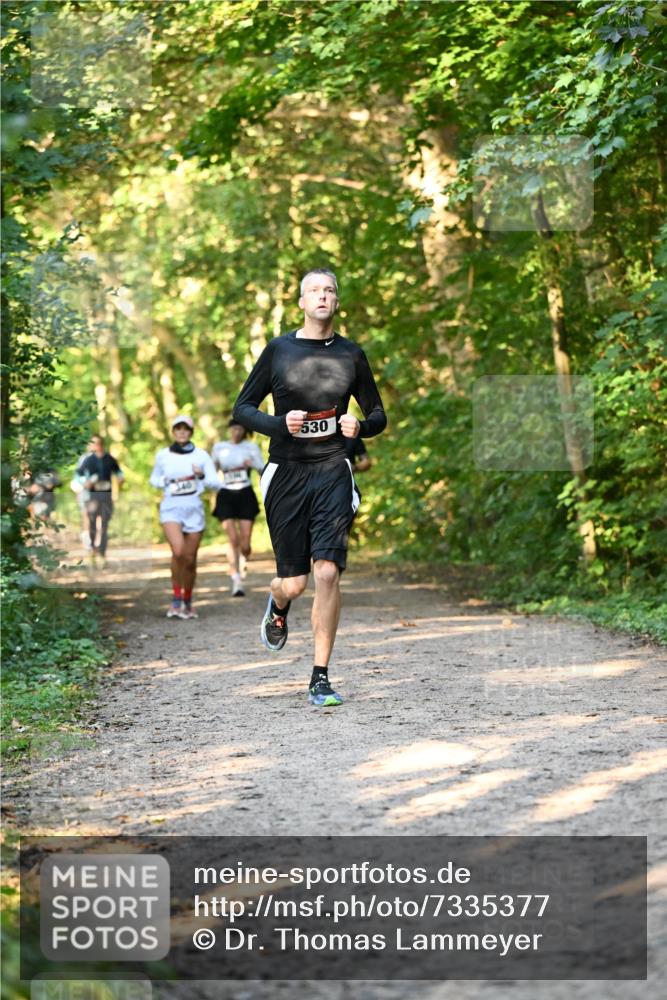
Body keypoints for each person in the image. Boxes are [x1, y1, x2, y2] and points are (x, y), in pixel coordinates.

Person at [233, 268, 386, 707]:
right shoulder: (279, 350)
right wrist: (279, 423)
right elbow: (243, 408)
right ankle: (278, 603)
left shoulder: (352, 355)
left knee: (327, 572)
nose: (322, 296)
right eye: (314, 291)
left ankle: (320, 676)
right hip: (286, 472)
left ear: (337, 302)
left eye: (329, 290)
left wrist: (362, 426)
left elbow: (378, 415)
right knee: (295, 583)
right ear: (301, 302)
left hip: (334, 469)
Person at [149, 414, 219, 619]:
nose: (181, 432)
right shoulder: (163, 455)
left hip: (194, 508)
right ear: (173, 431)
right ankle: (176, 599)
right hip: (171, 508)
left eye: (185, 429)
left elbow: (215, 483)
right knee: (178, 552)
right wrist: (164, 480)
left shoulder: (201, 456)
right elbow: (154, 479)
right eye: (178, 428)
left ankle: (188, 601)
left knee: (189, 559)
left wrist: (202, 475)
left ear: (191, 432)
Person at [211, 418, 264, 597]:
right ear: (229, 430)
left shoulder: (251, 447)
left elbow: (263, 469)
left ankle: (244, 558)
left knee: (245, 541)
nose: (236, 432)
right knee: (232, 539)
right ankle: (236, 579)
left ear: (244, 431)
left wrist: (253, 464)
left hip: (245, 493)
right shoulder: (219, 447)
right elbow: (211, 470)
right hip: (225, 494)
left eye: (240, 429)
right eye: (234, 429)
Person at [77, 435, 124, 565]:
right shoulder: (87, 460)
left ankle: (102, 554)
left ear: (101, 444)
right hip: (92, 497)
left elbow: (119, 473)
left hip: (106, 496)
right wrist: (85, 483)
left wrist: (120, 480)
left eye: (96, 443)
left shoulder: (109, 459)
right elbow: (78, 476)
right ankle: (92, 550)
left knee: (104, 526)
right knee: (91, 524)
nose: (94, 445)